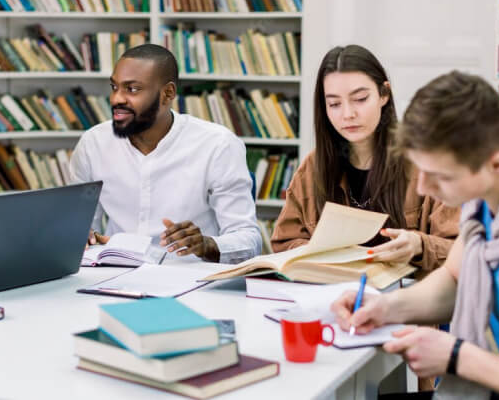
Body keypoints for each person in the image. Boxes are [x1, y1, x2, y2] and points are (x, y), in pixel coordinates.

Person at [332, 71, 499, 400]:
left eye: (440, 177)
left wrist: (456, 356)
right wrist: (385, 307)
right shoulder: (498, 191)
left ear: (497, 164)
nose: (422, 188)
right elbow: (455, 280)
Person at [271, 45, 459, 276]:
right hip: (332, 297)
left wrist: (419, 245)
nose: (348, 114)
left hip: (406, 300)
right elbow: (283, 243)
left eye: (360, 99)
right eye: (334, 104)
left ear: (384, 94)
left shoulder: (426, 162)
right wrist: (316, 254)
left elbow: (464, 250)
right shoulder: (313, 167)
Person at [69, 44, 261, 263]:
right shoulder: (94, 143)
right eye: (114, 87)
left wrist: (207, 244)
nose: (116, 99)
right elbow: (79, 228)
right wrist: (81, 237)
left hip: (189, 280)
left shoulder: (218, 145)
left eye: (132, 89)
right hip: (113, 273)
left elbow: (250, 240)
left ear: (167, 93)